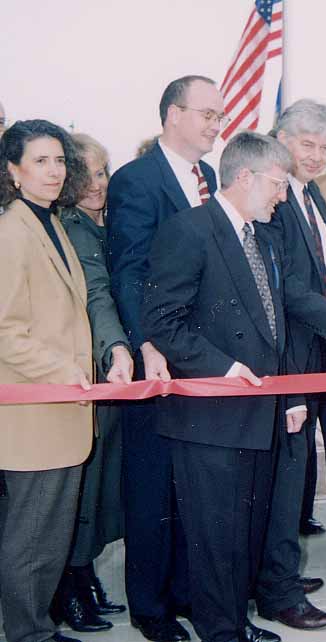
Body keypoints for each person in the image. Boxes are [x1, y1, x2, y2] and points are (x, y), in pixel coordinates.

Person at [143, 131, 326, 642]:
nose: (283, 195)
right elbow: (162, 321)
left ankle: (235, 621)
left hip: (259, 407)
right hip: (210, 413)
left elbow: (281, 314)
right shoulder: (190, 231)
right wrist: (222, 367)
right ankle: (221, 631)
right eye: (277, 184)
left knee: (242, 531)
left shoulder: (263, 236)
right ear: (245, 177)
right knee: (215, 535)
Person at [108, 74, 223, 642]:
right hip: (156, 361)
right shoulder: (136, 181)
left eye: (218, 115)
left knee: (190, 485)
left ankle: (184, 593)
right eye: (206, 113)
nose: (215, 124)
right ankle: (150, 609)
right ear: (172, 115)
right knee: (151, 486)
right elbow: (128, 272)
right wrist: (145, 344)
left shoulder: (211, 177)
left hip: (200, 358)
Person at [0, 119, 93, 642]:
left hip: (61, 413)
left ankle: (36, 626)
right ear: (13, 171)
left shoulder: (50, 221)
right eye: (40, 161)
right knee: (31, 539)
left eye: (59, 160)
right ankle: (27, 634)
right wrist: (65, 371)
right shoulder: (11, 233)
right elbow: (5, 332)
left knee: (47, 537)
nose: (54, 171)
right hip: (34, 415)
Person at [251, 99, 326, 631]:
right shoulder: (276, 203)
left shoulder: (312, 200)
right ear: (279, 140)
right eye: (305, 144)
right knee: (285, 482)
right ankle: (278, 592)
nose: (316, 155)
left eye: (323, 147)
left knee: (294, 476)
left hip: (313, 358)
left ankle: (278, 570)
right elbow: (289, 295)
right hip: (287, 362)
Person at [53, 133, 132, 634]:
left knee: (101, 485)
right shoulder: (72, 229)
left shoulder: (105, 225)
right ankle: (70, 588)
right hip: (88, 369)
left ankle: (83, 576)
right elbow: (97, 296)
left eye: (103, 172)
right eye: (85, 174)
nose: (97, 184)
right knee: (81, 489)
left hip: (111, 371)